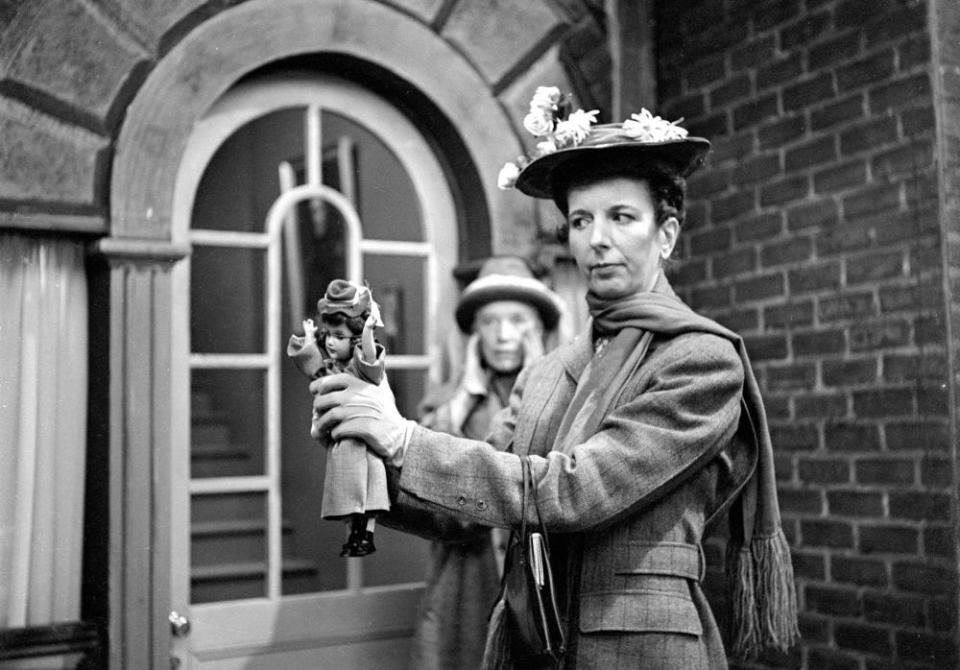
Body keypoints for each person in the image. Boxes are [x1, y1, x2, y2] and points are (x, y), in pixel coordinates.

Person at [311, 85, 799, 668]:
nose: (597, 239)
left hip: (641, 651)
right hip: (532, 642)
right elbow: (464, 512)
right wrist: (367, 452)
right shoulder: (547, 370)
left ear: (664, 235)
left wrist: (405, 439)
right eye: (580, 220)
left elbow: (576, 491)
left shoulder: (699, 360)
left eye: (622, 217)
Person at [410, 255, 565, 670]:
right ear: (474, 334)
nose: (502, 335)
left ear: (539, 331)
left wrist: (539, 379)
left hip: (538, 582)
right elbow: (426, 477)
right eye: (489, 323)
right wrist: (464, 391)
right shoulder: (447, 401)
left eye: (517, 321)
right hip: (465, 580)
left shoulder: (568, 399)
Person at [288, 279, 387, 557]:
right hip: (343, 444)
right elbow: (313, 367)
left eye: (339, 336)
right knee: (349, 497)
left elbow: (370, 357)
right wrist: (309, 338)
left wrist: (368, 330)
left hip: (365, 444)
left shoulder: (361, 369)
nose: (331, 341)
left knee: (367, 496)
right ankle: (355, 537)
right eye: (329, 335)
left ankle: (366, 536)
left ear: (354, 339)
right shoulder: (332, 369)